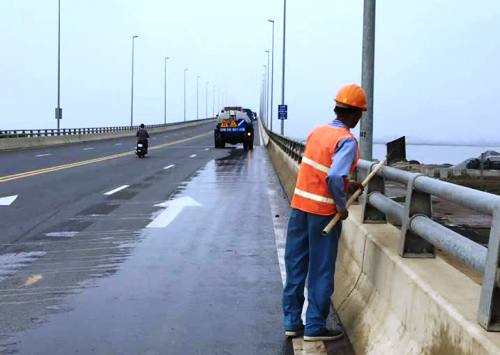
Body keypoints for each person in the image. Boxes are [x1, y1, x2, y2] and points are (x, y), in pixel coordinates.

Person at [282, 84, 366, 342]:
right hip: (322, 214)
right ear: (355, 114)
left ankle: (292, 321)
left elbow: (321, 171)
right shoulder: (346, 141)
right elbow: (332, 176)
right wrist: (341, 207)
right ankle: (315, 326)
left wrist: (346, 185)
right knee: (320, 269)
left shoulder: (317, 132)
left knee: (296, 264)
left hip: (299, 208)